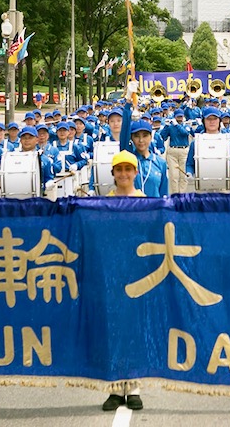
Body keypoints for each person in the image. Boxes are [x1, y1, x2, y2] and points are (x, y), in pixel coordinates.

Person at [100, 149, 145, 412]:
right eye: (119, 170)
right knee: (114, 331)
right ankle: (116, 388)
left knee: (135, 330)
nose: (124, 174)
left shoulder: (145, 201)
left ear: (136, 172)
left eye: (129, 169)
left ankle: (135, 387)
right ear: (113, 174)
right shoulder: (103, 203)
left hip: (138, 274)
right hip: (113, 274)